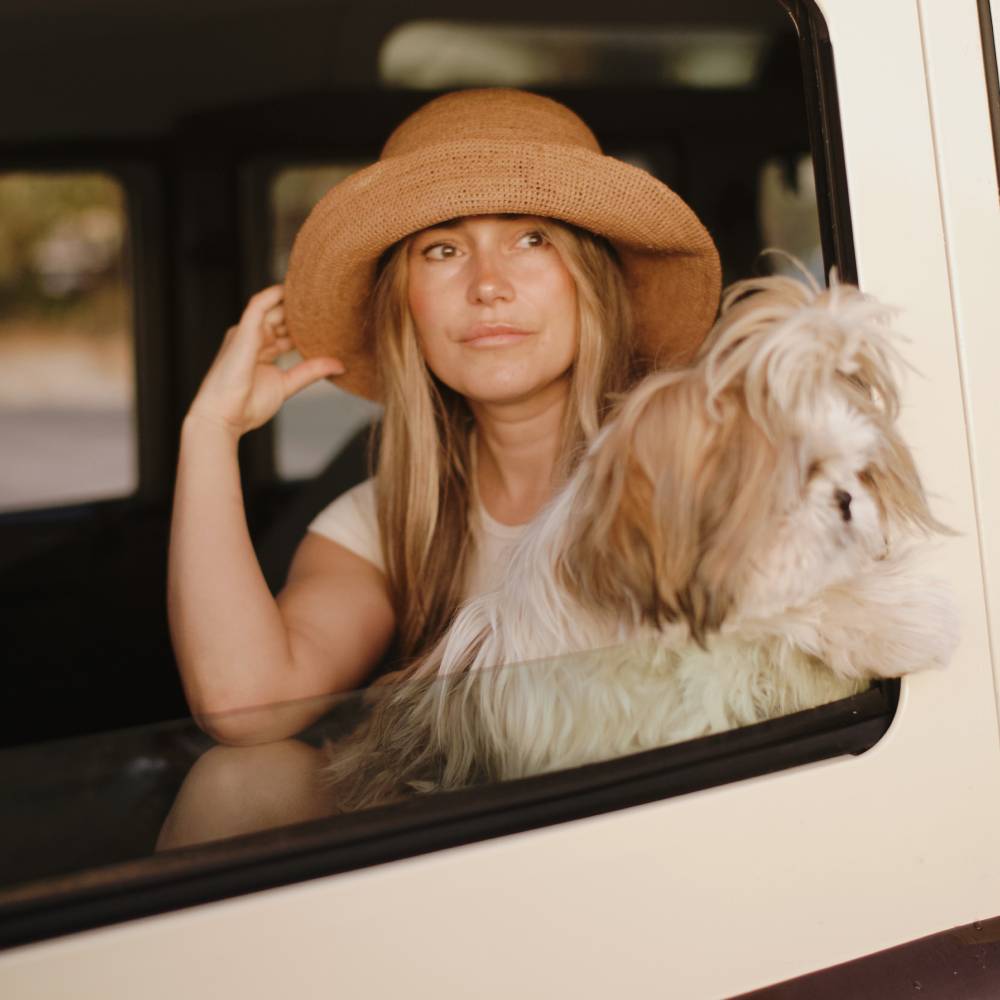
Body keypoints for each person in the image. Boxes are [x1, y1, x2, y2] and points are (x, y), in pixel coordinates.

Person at [166, 87, 721, 757]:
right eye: (443, 251)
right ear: (406, 307)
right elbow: (244, 705)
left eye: (532, 239)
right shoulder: (385, 521)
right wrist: (210, 431)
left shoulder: (705, 474)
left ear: (593, 281)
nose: (488, 284)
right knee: (242, 778)